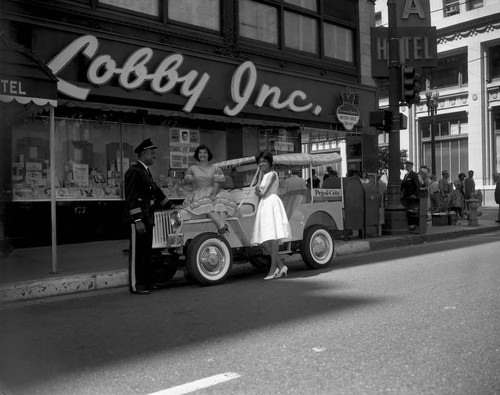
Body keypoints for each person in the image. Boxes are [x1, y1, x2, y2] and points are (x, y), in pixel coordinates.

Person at [125, 138, 173, 295]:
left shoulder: (145, 171)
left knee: (146, 253)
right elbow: (131, 198)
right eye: (152, 153)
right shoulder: (134, 171)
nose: (154, 156)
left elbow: (156, 192)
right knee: (138, 253)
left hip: (148, 218)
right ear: (143, 153)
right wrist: (137, 220)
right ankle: (136, 285)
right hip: (140, 220)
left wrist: (171, 206)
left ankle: (146, 282)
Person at [251, 151, 292, 280]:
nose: (261, 164)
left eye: (264, 161)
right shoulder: (263, 175)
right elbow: (260, 193)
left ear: (269, 162)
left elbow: (263, 193)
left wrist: (258, 192)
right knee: (264, 239)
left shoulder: (272, 174)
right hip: (264, 204)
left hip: (271, 202)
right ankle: (280, 266)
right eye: (259, 162)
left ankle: (273, 269)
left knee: (272, 237)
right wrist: (258, 191)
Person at [182, 145, 237, 235]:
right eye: (200, 152)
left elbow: (217, 183)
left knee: (221, 206)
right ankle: (222, 227)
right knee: (207, 206)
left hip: (214, 190)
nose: (202, 154)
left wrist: (213, 194)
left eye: (205, 152)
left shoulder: (215, 168)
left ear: (208, 155)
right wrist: (195, 194)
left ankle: (221, 228)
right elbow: (192, 183)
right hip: (199, 192)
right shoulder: (192, 168)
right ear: (197, 154)